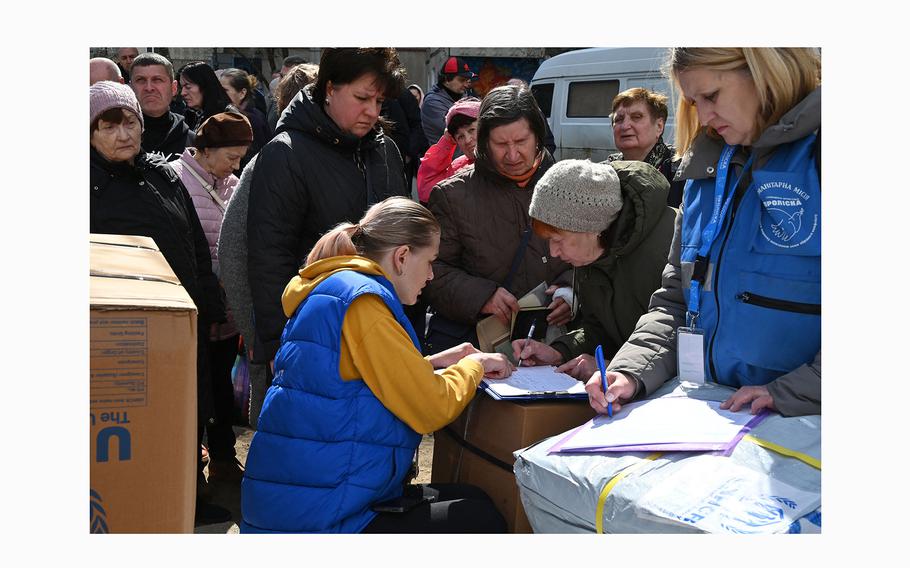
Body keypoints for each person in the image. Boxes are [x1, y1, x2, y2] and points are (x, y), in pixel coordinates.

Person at [241, 197, 511, 533]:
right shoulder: (364, 303)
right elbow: (431, 407)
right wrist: (476, 366)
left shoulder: (338, 289)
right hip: (323, 517)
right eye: (429, 262)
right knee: (479, 520)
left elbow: (355, 381)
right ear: (401, 257)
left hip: (301, 504)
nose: (430, 276)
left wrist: (429, 364)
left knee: (473, 501)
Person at [586, 48, 821, 418]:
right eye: (694, 102)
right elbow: (678, 299)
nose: (705, 117)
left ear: (767, 73)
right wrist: (631, 370)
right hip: (719, 417)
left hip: (804, 428)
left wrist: (792, 393)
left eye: (711, 96)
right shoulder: (705, 172)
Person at [89, 81, 231, 524]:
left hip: (179, 323)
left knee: (187, 409)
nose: (123, 134)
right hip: (117, 328)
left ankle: (187, 494)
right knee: (132, 416)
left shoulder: (164, 175)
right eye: (108, 126)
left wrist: (208, 302)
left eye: (128, 121)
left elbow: (192, 243)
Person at [247, 48, 410, 370]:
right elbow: (269, 258)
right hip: (314, 336)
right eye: (362, 98)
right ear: (330, 88)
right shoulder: (285, 153)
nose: (371, 111)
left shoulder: (384, 150)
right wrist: (281, 343)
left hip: (384, 327)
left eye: (379, 102)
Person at [422, 84, 573, 353]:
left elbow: (595, 257)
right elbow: (431, 271)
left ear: (538, 136)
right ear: (484, 142)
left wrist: (569, 290)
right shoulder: (452, 195)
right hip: (479, 348)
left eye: (521, 142)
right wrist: (482, 296)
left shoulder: (567, 186)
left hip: (554, 345)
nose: (513, 155)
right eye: (501, 144)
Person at [508, 159, 675, 380]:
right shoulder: (594, 254)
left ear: (591, 227)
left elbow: (689, 342)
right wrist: (560, 351)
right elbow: (601, 329)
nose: (553, 252)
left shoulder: (668, 249)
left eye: (558, 239)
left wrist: (614, 368)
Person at [218, 66, 319, 430]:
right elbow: (231, 255)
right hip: (281, 343)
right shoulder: (270, 163)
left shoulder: (362, 159)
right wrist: (260, 338)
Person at [170, 111, 253, 484]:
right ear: (205, 149)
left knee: (220, 387)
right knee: (190, 391)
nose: (236, 165)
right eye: (231, 156)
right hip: (193, 311)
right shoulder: (175, 180)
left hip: (226, 313)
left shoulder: (233, 185)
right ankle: (188, 467)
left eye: (240, 158)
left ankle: (223, 458)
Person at [606, 87, 686, 207]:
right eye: (619, 119)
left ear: (659, 126)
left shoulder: (682, 170)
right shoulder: (606, 172)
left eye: (636, 117)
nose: (625, 126)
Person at [416, 97, 479, 204]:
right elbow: (426, 191)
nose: (467, 140)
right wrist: (446, 142)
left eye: (471, 130)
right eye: (460, 137)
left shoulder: (506, 159)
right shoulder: (458, 166)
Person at [130, 52, 190, 161]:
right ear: (130, 88)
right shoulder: (118, 140)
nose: (149, 88)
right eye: (140, 80)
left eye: (157, 80)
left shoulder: (193, 143)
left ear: (174, 88)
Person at [219, 68, 272, 167]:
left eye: (225, 90)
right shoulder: (230, 115)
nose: (220, 95)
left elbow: (254, 159)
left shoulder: (253, 120)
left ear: (242, 93)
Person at [421, 56, 474, 146]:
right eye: (461, 80)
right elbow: (457, 128)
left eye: (467, 80)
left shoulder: (461, 96)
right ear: (446, 80)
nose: (466, 84)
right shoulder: (432, 102)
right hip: (445, 157)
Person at [178, 61, 238, 132]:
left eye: (188, 87)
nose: (183, 93)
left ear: (205, 86)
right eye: (182, 87)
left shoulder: (228, 118)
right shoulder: (190, 115)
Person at [267, 55, 310, 132]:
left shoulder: (310, 107)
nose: (282, 81)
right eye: (281, 76)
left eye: (288, 77)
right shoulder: (274, 101)